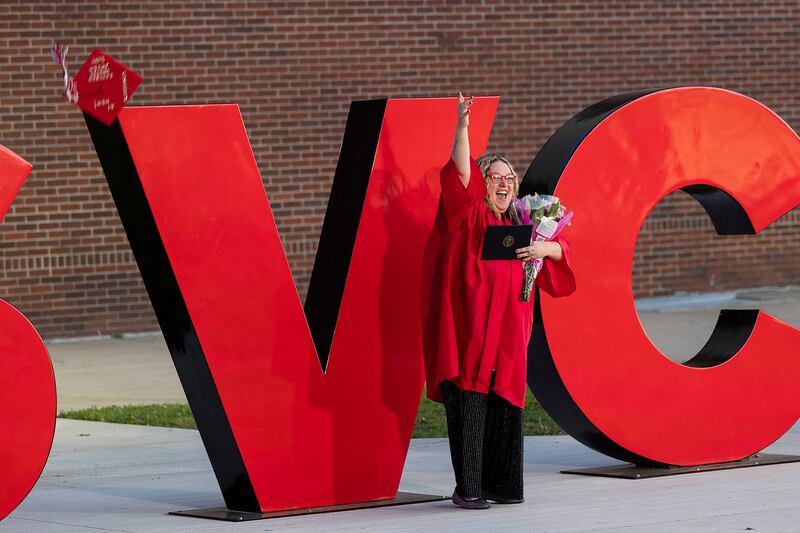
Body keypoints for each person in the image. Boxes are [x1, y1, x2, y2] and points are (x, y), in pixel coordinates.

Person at [423, 93, 576, 509]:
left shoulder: (525, 224)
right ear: (480, 184)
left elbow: (564, 261)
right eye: (494, 177)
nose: (504, 183)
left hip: (509, 339)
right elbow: (459, 172)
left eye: (510, 177)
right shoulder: (468, 216)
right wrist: (463, 127)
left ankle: (502, 486)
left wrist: (546, 251)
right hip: (470, 335)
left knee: (506, 405)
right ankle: (468, 489)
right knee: (470, 405)